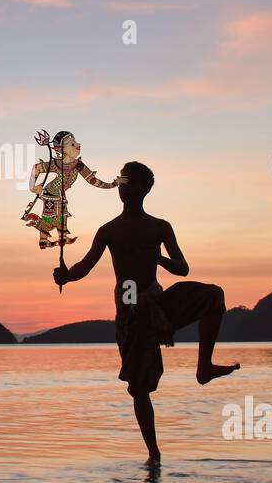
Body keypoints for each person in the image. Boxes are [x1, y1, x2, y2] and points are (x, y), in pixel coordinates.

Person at [53, 161, 239, 462]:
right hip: (131, 311)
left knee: (214, 296)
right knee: (139, 387)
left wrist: (161, 260)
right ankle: (154, 454)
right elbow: (84, 266)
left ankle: (204, 366)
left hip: (158, 302)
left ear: (144, 189)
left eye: (128, 180)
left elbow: (183, 268)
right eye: (121, 180)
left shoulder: (160, 227)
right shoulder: (109, 230)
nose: (122, 185)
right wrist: (66, 276)